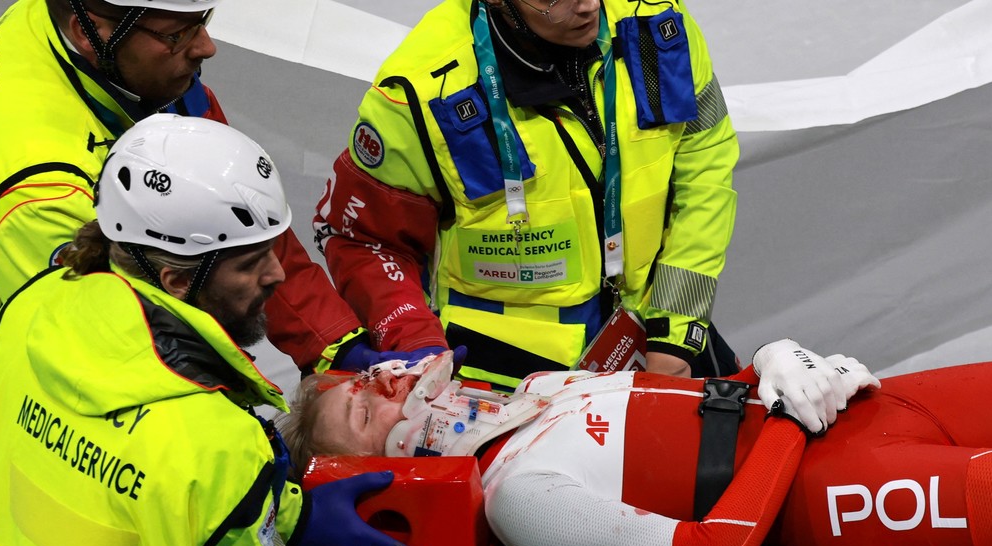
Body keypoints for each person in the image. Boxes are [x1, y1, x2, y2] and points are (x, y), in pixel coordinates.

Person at [0, 0, 402, 546]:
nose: (206, 47)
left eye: (204, 22)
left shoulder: (95, 45)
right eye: (178, 33)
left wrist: (334, 342)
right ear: (94, 30)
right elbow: (155, 382)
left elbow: (234, 219)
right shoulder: (40, 191)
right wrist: (276, 503)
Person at [0, 114, 424, 546]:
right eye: (250, 263)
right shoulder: (215, 438)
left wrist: (288, 513)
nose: (277, 274)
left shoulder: (27, 309)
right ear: (176, 280)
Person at [285, 342, 992, 546]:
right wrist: (789, 422)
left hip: (873, 409)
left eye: (369, 378)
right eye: (364, 409)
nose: (388, 385)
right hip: (833, 498)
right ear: (384, 468)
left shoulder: (537, 390)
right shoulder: (521, 501)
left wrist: (772, 362)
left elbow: (708, 407)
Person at [314, 0, 741, 390]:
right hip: (506, 387)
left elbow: (706, 164)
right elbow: (363, 241)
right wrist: (419, 348)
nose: (588, 5)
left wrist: (674, 330)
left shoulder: (657, 19)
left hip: (657, 340)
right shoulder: (418, 92)